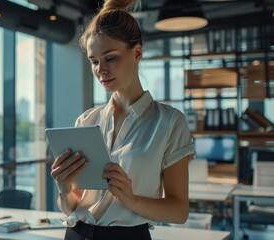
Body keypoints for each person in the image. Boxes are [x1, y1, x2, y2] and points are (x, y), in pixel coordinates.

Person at [50, 0, 196, 239]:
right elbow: (72, 206)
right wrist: (64, 189)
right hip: (75, 233)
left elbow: (179, 211)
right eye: (94, 61)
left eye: (111, 58)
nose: (101, 70)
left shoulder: (169, 122)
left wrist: (131, 199)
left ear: (137, 52)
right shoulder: (86, 120)